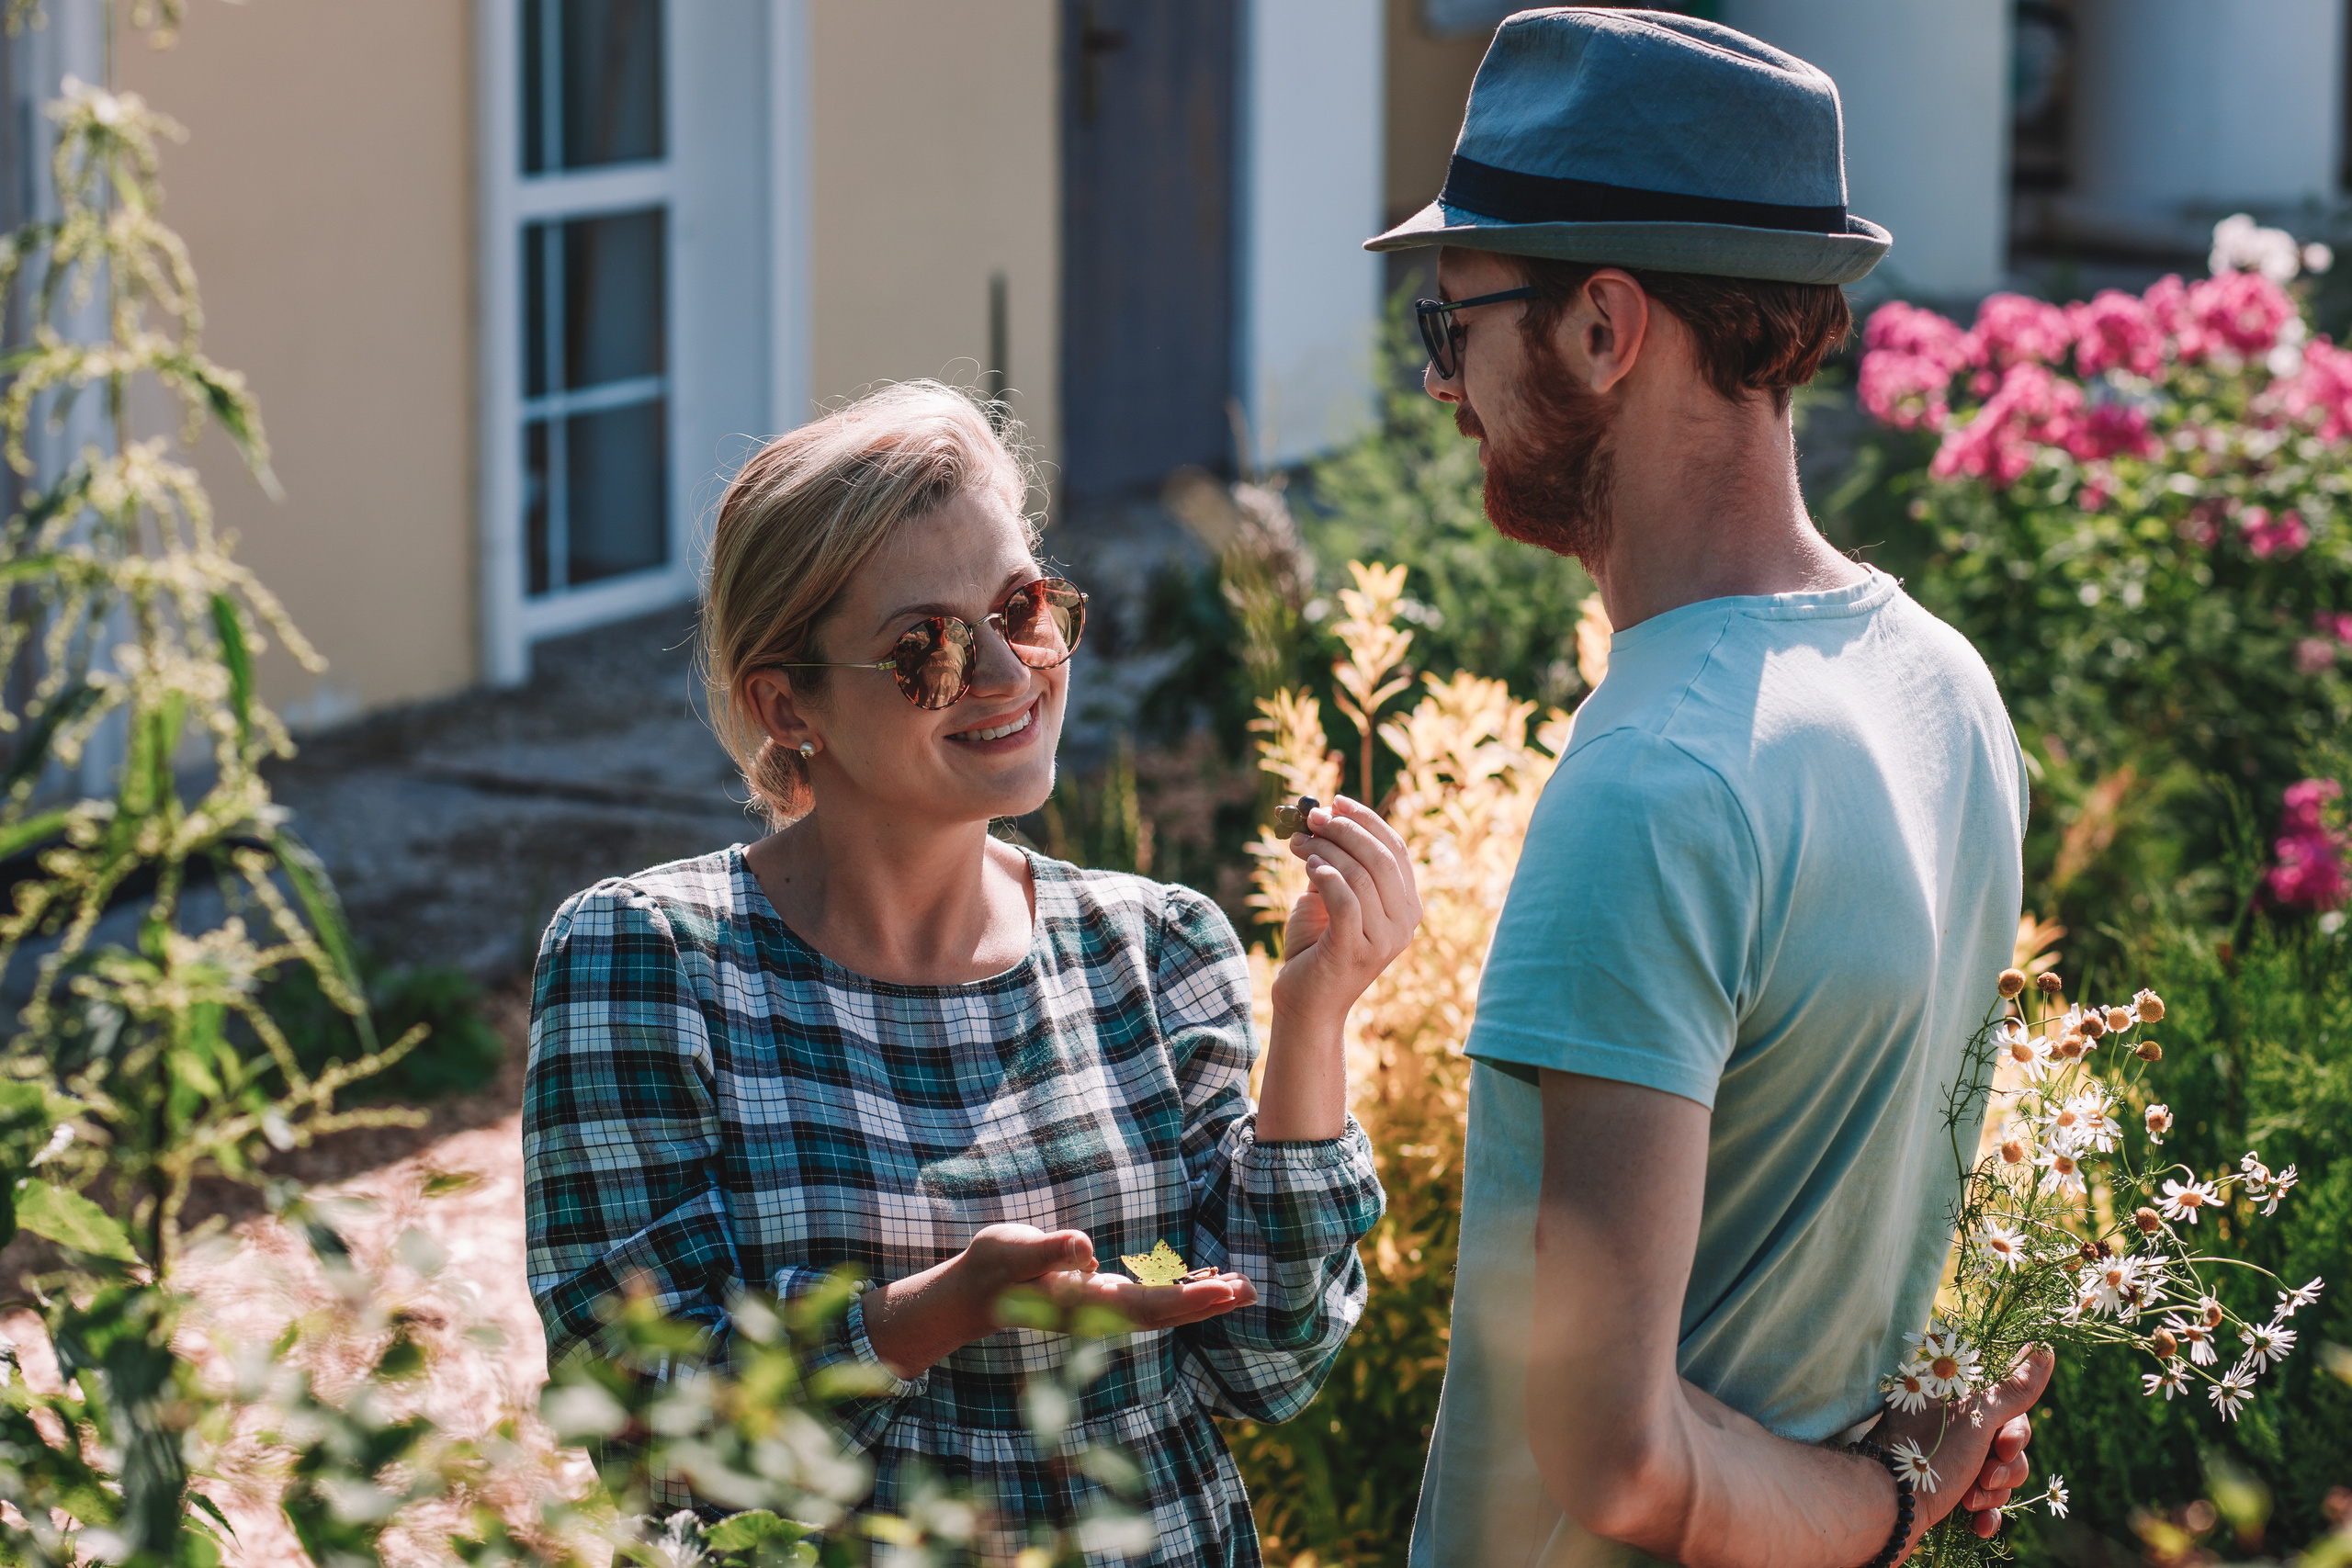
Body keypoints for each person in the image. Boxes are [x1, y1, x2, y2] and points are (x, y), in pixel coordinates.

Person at [1361, 13, 2048, 1568]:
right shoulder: (1947, 688)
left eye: (1452, 323)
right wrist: (1899, 1459)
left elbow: (1613, 1470)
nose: (1444, 385)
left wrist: (1890, 1506)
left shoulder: (1657, 780)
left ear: (1604, 328)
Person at [522, 381, 1419, 1565]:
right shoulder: (648, 963)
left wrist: (1312, 1021)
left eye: (1021, 608)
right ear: (785, 704)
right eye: (926, 650)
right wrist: (938, 1314)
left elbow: (1269, 1364)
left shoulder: (1157, 948)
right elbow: (644, 1426)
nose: (1007, 673)